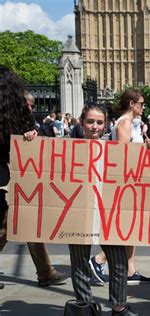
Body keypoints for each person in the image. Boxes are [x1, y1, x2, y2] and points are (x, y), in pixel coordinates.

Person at [0, 66, 68, 288]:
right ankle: (45, 273)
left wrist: (28, 136)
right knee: (9, 225)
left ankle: (45, 272)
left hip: (10, 178)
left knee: (28, 222)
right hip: (5, 179)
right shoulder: (10, 114)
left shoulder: (13, 116)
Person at [68, 104, 137, 316]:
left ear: (105, 124)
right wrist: (30, 138)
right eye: (90, 121)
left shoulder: (114, 147)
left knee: (118, 262)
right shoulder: (67, 148)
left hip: (109, 213)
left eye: (99, 122)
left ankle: (119, 307)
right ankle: (85, 307)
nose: (95, 126)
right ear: (81, 122)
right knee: (80, 262)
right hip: (79, 212)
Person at [89, 89, 150, 286]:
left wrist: (146, 143)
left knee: (131, 228)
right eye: (141, 104)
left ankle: (130, 270)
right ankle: (99, 259)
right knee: (125, 228)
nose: (143, 107)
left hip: (132, 181)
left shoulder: (131, 123)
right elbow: (124, 154)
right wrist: (145, 148)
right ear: (131, 104)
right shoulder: (125, 123)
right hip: (126, 183)